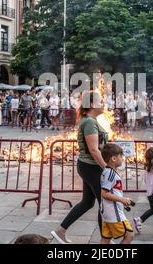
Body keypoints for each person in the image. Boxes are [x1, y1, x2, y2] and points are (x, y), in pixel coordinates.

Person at [51, 90, 108, 244]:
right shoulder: (89, 122)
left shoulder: (90, 120)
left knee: (88, 202)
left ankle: (60, 231)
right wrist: (107, 168)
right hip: (91, 167)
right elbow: (94, 149)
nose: (103, 104)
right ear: (91, 105)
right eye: (100, 101)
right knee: (105, 204)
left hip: (87, 166)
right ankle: (105, 240)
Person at [99, 144, 134, 244]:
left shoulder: (108, 172)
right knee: (129, 235)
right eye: (121, 156)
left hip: (108, 211)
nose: (122, 159)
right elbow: (104, 193)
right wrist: (122, 200)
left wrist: (123, 200)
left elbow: (112, 191)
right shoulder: (110, 174)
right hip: (114, 213)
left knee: (106, 239)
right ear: (114, 158)